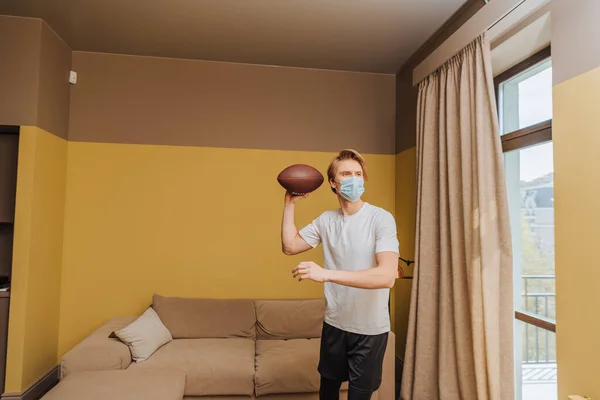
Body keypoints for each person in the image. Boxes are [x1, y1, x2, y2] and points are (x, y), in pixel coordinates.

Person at [280, 149, 400, 400]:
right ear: (333, 183)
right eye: (346, 174)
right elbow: (290, 246)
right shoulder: (326, 220)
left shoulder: (381, 219)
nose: (355, 179)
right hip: (335, 324)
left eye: (359, 174)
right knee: (328, 393)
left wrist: (327, 274)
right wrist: (289, 205)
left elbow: (386, 276)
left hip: (370, 329)